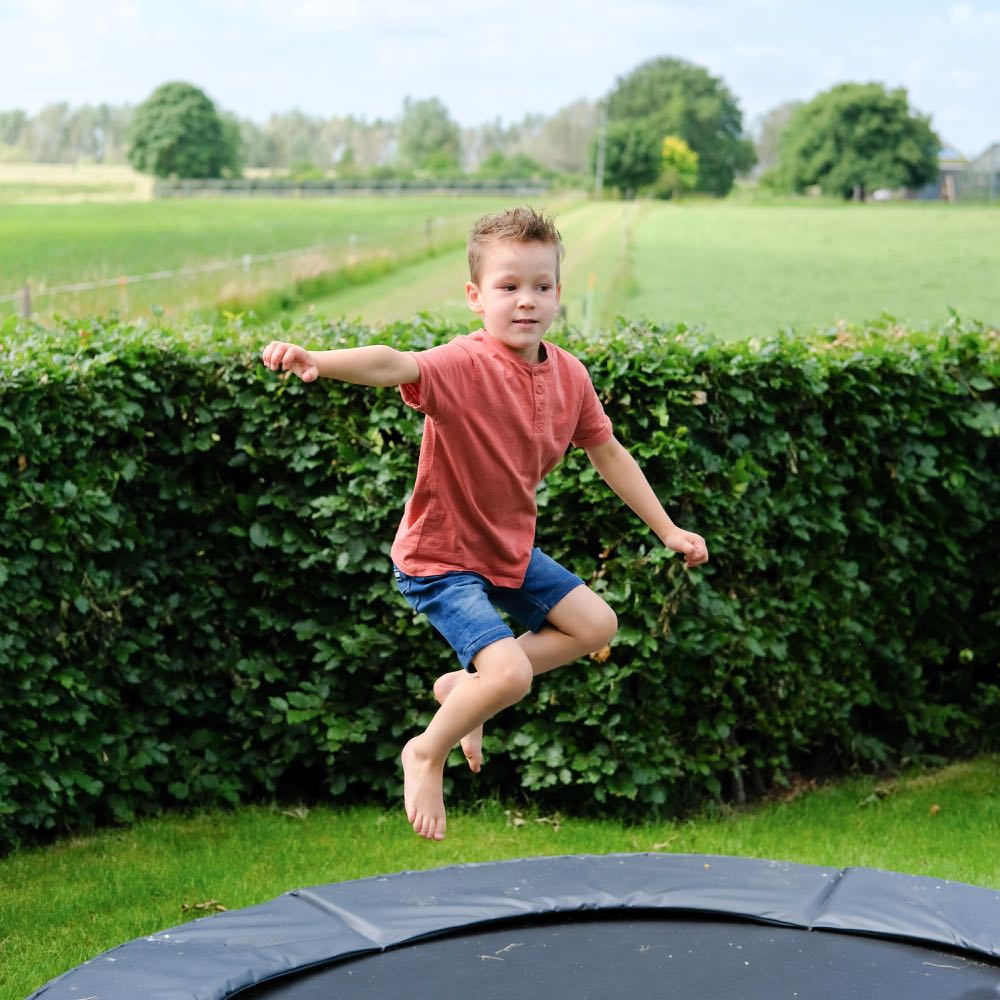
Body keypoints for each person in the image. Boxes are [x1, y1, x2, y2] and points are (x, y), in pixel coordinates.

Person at [261, 206, 708, 842]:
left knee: (596, 625)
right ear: (475, 297)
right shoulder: (463, 364)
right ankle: (425, 751)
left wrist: (667, 529)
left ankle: (464, 688)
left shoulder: (570, 376)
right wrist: (318, 360)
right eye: (508, 286)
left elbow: (608, 452)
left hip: (507, 549)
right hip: (440, 558)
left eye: (541, 286)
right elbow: (394, 364)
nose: (526, 301)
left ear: (558, 292)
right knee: (512, 675)